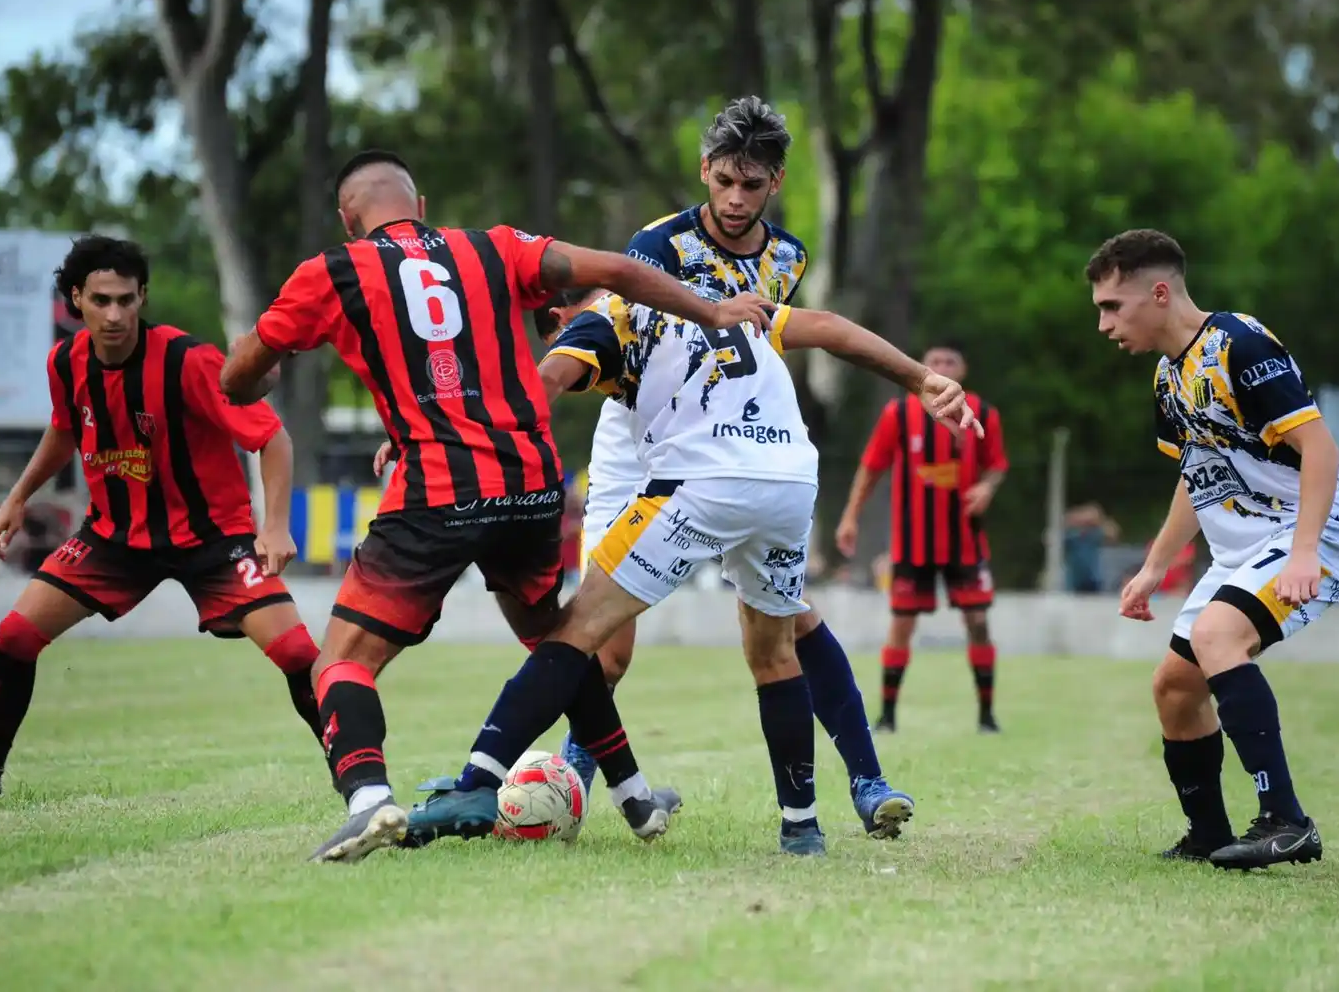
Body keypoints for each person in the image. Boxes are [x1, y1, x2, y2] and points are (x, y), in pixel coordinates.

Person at [220, 148, 772, 863]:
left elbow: (237, 377)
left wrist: (256, 374)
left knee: (340, 664)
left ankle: (368, 800)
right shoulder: (495, 247)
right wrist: (715, 310)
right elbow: (618, 270)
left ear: (347, 220)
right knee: (554, 638)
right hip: (530, 484)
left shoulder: (332, 271)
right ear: (420, 207)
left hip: (438, 489)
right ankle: (636, 797)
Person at [405, 288, 978, 856]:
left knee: (775, 624)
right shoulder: (655, 322)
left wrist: (448, 447)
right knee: (613, 651)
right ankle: (600, 784)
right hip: (659, 467)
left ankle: (866, 782)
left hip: (710, 461)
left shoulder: (644, 311)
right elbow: (826, 326)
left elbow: (543, 383)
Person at [557, 96, 917, 839]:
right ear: (704, 171)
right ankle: (568, 784)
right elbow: (618, 327)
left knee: (789, 616)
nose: (734, 198)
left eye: (751, 185)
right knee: (608, 645)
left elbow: (775, 343)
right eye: (724, 181)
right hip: (638, 438)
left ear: (776, 182)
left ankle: (868, 780)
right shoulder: (656, 245)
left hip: (732, 444)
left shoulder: (788, 259)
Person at [0, 235, 324, 799]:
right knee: (16, 635)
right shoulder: (65, 362)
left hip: (214, 541)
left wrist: (274, 526)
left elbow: (273, 439)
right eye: (101, 300)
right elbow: (66, 428)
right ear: (76, 299)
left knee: (295, 652)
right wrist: (18, 497)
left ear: (142, 296)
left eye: (126, 299)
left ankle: (361, 781)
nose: (115, 314)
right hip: (113, 539)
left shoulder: (188, 361)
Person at [1093, 228, 1339, 870]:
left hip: (1313, 533)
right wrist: (1154, 566)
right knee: (1174, 687)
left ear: (1159, 294)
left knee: (1217, 637)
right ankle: (1210, 835)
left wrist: (1305, 553)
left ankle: (1287, 822)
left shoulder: (1238, 344)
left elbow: (1319, 448)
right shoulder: (1169, 376)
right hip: (1246, 551)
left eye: (1112, 306)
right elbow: (1200, 476)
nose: (1104, 324)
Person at [835, 342, 1008, 734]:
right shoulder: (899, 413)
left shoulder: (983, 414)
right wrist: (850, 516)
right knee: (901, 626)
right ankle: (887, 716)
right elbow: (871, 466)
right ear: (922, 367)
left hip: (965, 542)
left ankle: (986, 716)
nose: (942, 366)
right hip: (913, 544)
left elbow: (997, 465)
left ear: (962, 370)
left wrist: (987, 487)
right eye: (934, 361)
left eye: (950, 361)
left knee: (978, 622)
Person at [1063, 501, 1120, 593]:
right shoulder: (1072, 534)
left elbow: (1112, 534)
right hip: (1074, 577)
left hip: (1094, 576)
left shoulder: (1096, 532)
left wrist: (1099, 520)